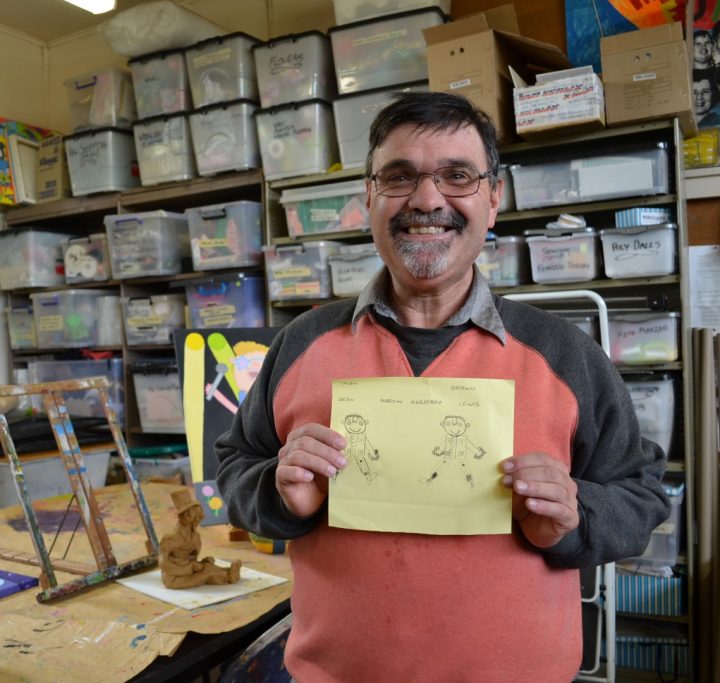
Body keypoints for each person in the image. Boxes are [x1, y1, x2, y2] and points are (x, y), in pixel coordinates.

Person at [216, 91, 670, 682]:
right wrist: (279, 496)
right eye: (399, 177)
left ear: (493, 198)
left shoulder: (563, 354)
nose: (427, 200)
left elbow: (641, 490)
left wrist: (573, 516)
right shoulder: (303, 344)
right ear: (369, 199)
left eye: (457, 176)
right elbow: (235, 462)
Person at [158, 488, 241, 589]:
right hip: (174, 578)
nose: (198, 518)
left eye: (198, 514)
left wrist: (200, 563)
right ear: (183, 516)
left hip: (189, 571)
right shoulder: (171, 538)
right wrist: (189, 568)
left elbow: (192, 559)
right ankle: (228, 576)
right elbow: (163, 563)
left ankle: (228, 572)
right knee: (207, 572)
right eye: (194, 514)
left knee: (207, 567)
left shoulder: (195, 537)